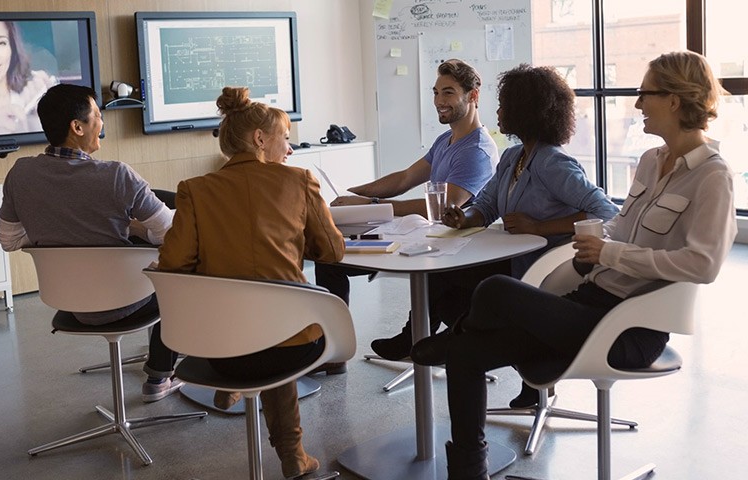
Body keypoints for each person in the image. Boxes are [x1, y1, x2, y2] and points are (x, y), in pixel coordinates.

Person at [411, 51, 736, 480]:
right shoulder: (650, 162)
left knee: (493, 288)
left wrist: (606, 251)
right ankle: (469, 471)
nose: (637, 104)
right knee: (465, 355)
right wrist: (597, 243)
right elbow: (617, 224)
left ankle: (453, 333)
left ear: (674, 100)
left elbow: (704, 265)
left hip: (629, 326)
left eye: (644, 95)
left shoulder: (713, 176)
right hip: (589, 301)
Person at [370, 65, 619, 406]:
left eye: (504, 105)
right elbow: (486, 206)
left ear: (525, 110)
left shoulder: (552, 163)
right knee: (440, 276)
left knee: (456, 282)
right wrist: (463, 217)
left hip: (546, 269)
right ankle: (455, 343)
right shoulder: (513, 157)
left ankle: (452, 343)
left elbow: (605, 212)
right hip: (517, 259)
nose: (498, 112)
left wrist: (538, 226)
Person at [157, 86, 344, 479]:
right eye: (285, 139)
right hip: (290, 347)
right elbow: (332, 252)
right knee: (279, 326)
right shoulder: (299, 182)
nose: (289, 150)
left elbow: (173, 262)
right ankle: (292, 454)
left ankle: (236, 384)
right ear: (260, 139)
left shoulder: (194, 190)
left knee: (256, 325)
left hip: (216, 347)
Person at [0, 83, 182, 404]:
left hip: (71, 302)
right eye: (97, 115)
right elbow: (172, 236)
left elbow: (9, 240)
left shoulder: (20, 173)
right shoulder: (117, 176)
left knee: (156, 208)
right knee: (182, 278)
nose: (102, 123)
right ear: (77, 127)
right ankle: (159, 376)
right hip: (126, 299)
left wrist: (55, 230)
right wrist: (134, 229)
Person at [313, 59, 499, 372]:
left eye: (449, 93)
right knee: (330, 258)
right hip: (419, 238)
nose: (439, 100)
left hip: (449, 249)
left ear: (473, 97)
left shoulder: (476, 150)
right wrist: (351, 194)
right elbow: (402, 179)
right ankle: (332, 351)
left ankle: (412, 339)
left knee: (341, 255)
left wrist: (368, 203)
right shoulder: (446, 141)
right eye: (436, 92)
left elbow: (446, 205)